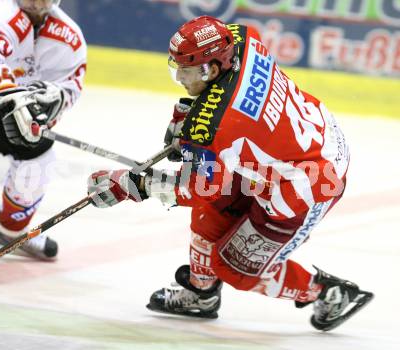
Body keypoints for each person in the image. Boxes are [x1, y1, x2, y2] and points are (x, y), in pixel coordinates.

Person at [86, 16, 373, 331]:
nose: (180, 76)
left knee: (237, 268)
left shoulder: (214, 127)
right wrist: (191, 119)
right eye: (176, 66)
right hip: (308, 140)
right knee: (211, 213)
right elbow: (223, 124)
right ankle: (201, 294)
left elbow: (198, 187)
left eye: (186, 69)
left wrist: (135, 185)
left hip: (308, 185)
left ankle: (329, 294)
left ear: (210, 69)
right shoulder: (243, 39)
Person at [0, 0, 87, 260]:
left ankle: (11, 230)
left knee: (37, 155)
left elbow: (70, 85)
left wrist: (53, 102)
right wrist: (9, 94)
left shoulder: (68, 38)